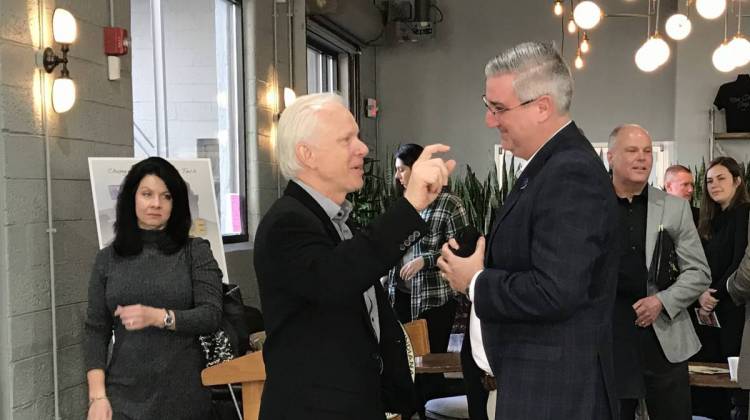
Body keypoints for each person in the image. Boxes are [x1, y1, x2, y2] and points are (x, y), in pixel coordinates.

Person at [437, 41, 619, 420]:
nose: (490, 120)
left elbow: (556, 291)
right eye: (487, 106)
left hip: (554, 395)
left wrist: (475, 281)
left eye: (499, 108)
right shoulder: (547, 167)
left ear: (542, 107)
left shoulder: (570, 171)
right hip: (535, 387)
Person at [253, 93, 456, 420]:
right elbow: (337, 278)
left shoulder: (333, 221)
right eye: (347, 139)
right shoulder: (287, 223)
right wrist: (409, 206)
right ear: (307, 154)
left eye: (358, 137)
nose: (362, 149)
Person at [84, 157, 224, 420]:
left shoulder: (195, 251)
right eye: (147, 194)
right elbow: (95, 330)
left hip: (183, 396)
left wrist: (159, 317)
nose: (156, 203)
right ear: (131, 199)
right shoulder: (107, 258)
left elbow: (211, 315)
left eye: (166, 196)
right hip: (122, 396)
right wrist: (97, 397)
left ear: (176, 204)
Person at [606, 124, 710, 420]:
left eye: (648, 151)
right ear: (611, 156)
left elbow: (699, 273)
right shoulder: (590, 204)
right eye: (632, 151)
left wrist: (662, 301)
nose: (642, 158)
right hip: (608, 338)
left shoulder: (675, 208)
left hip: (663, 337)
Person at [691, 156, 750, 420]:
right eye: (709, 180)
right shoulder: (710, 222)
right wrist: (700, 294)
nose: (714, 185)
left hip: (733, 308)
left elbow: (739, 262)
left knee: (734, 383)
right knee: (707, 380)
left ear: (738, 181)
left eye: (721, 178)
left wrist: (713, 294)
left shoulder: (744, 213)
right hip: (708, 308)